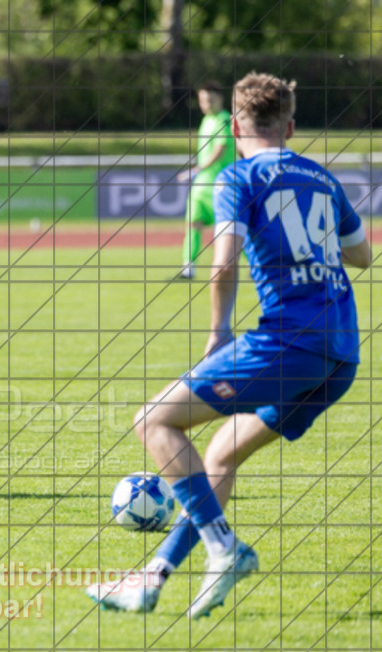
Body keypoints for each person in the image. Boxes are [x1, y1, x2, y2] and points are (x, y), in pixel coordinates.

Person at [87, 72, 372, 618]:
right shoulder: (322, 178)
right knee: (219, 455)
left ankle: (223, 547)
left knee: (155, 421)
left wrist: (218, 332)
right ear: (289, 125)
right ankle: (152, 578)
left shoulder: (238, 178)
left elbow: (222, 262)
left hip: (289, 343)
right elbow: (362, 256)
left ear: (236, 126)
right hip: (341, 354)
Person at [175, 81, 236, 279]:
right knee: (193, 224)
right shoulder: (206, 120)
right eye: (203, 100)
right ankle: (188, 269)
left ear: (220, 99)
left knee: (232, 230)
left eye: (210, 99)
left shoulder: (224, 119)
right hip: (202, 184)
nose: (206, 103)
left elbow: (221, 147)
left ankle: (258, 267)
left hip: (221, 184)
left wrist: (198, 168)